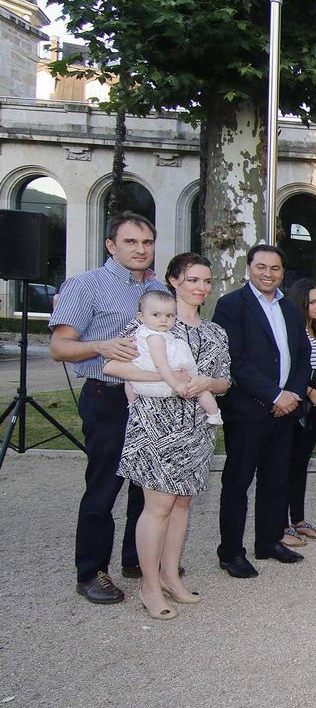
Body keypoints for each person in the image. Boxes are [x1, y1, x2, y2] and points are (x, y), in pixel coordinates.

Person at [103, 253, 230, 620]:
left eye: (206, 281)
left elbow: (224, 381)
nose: (200, 287)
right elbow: (111, 364)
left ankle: (171, 577)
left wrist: (206, 383)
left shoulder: (214, 331)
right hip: (156, 426)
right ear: (174, 281)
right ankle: (149, 586)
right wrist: (166, 380)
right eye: (192, 279)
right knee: (157, 507)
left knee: (182, 504)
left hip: (197, 429)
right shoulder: (151, 321)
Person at [49, 211, 166, 604]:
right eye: (131, 242)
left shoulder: (156, 287)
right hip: (107, 395)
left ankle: (136, 558)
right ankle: (90, 571)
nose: (141, 249)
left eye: (147, 242)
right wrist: (100, 345)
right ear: (111, 245)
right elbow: (59, 347)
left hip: (150, 399)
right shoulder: (87, 285)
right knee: (104, 486)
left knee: (145, 483)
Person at [213, 244, 311, 578]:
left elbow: (302, 353)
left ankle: (268, 541)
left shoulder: (289, 307)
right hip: (248, 411)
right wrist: (274, 395)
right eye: (261, 267)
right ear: (249, 268)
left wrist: (294, 394)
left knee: (275, 481)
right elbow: (235, 361)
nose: (268, 274)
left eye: (275, 268)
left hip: (285, 411)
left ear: (283, 272)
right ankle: (231, 552)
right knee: (238, 483)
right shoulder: (230, 306)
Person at [125, 290, 222, 425]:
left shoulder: (140, 332)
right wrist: (176, 384)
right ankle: (214, 414)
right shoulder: (155, 337)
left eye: (169, 315)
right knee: (199, 390)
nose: (163, 319)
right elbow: (161, 364)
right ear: (141, 316)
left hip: (140, 383)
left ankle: (131, 404)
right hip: (164, 381)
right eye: (156, 315)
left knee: (127, 381)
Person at [281, 279, 316, 548]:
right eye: (312, 302)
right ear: (301, 303)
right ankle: (281, 524)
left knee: (300, 466)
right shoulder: (293, 332)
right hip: (297, 406)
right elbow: (289, 370)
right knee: (285, 466)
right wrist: (310, 391)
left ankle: (298, 519)